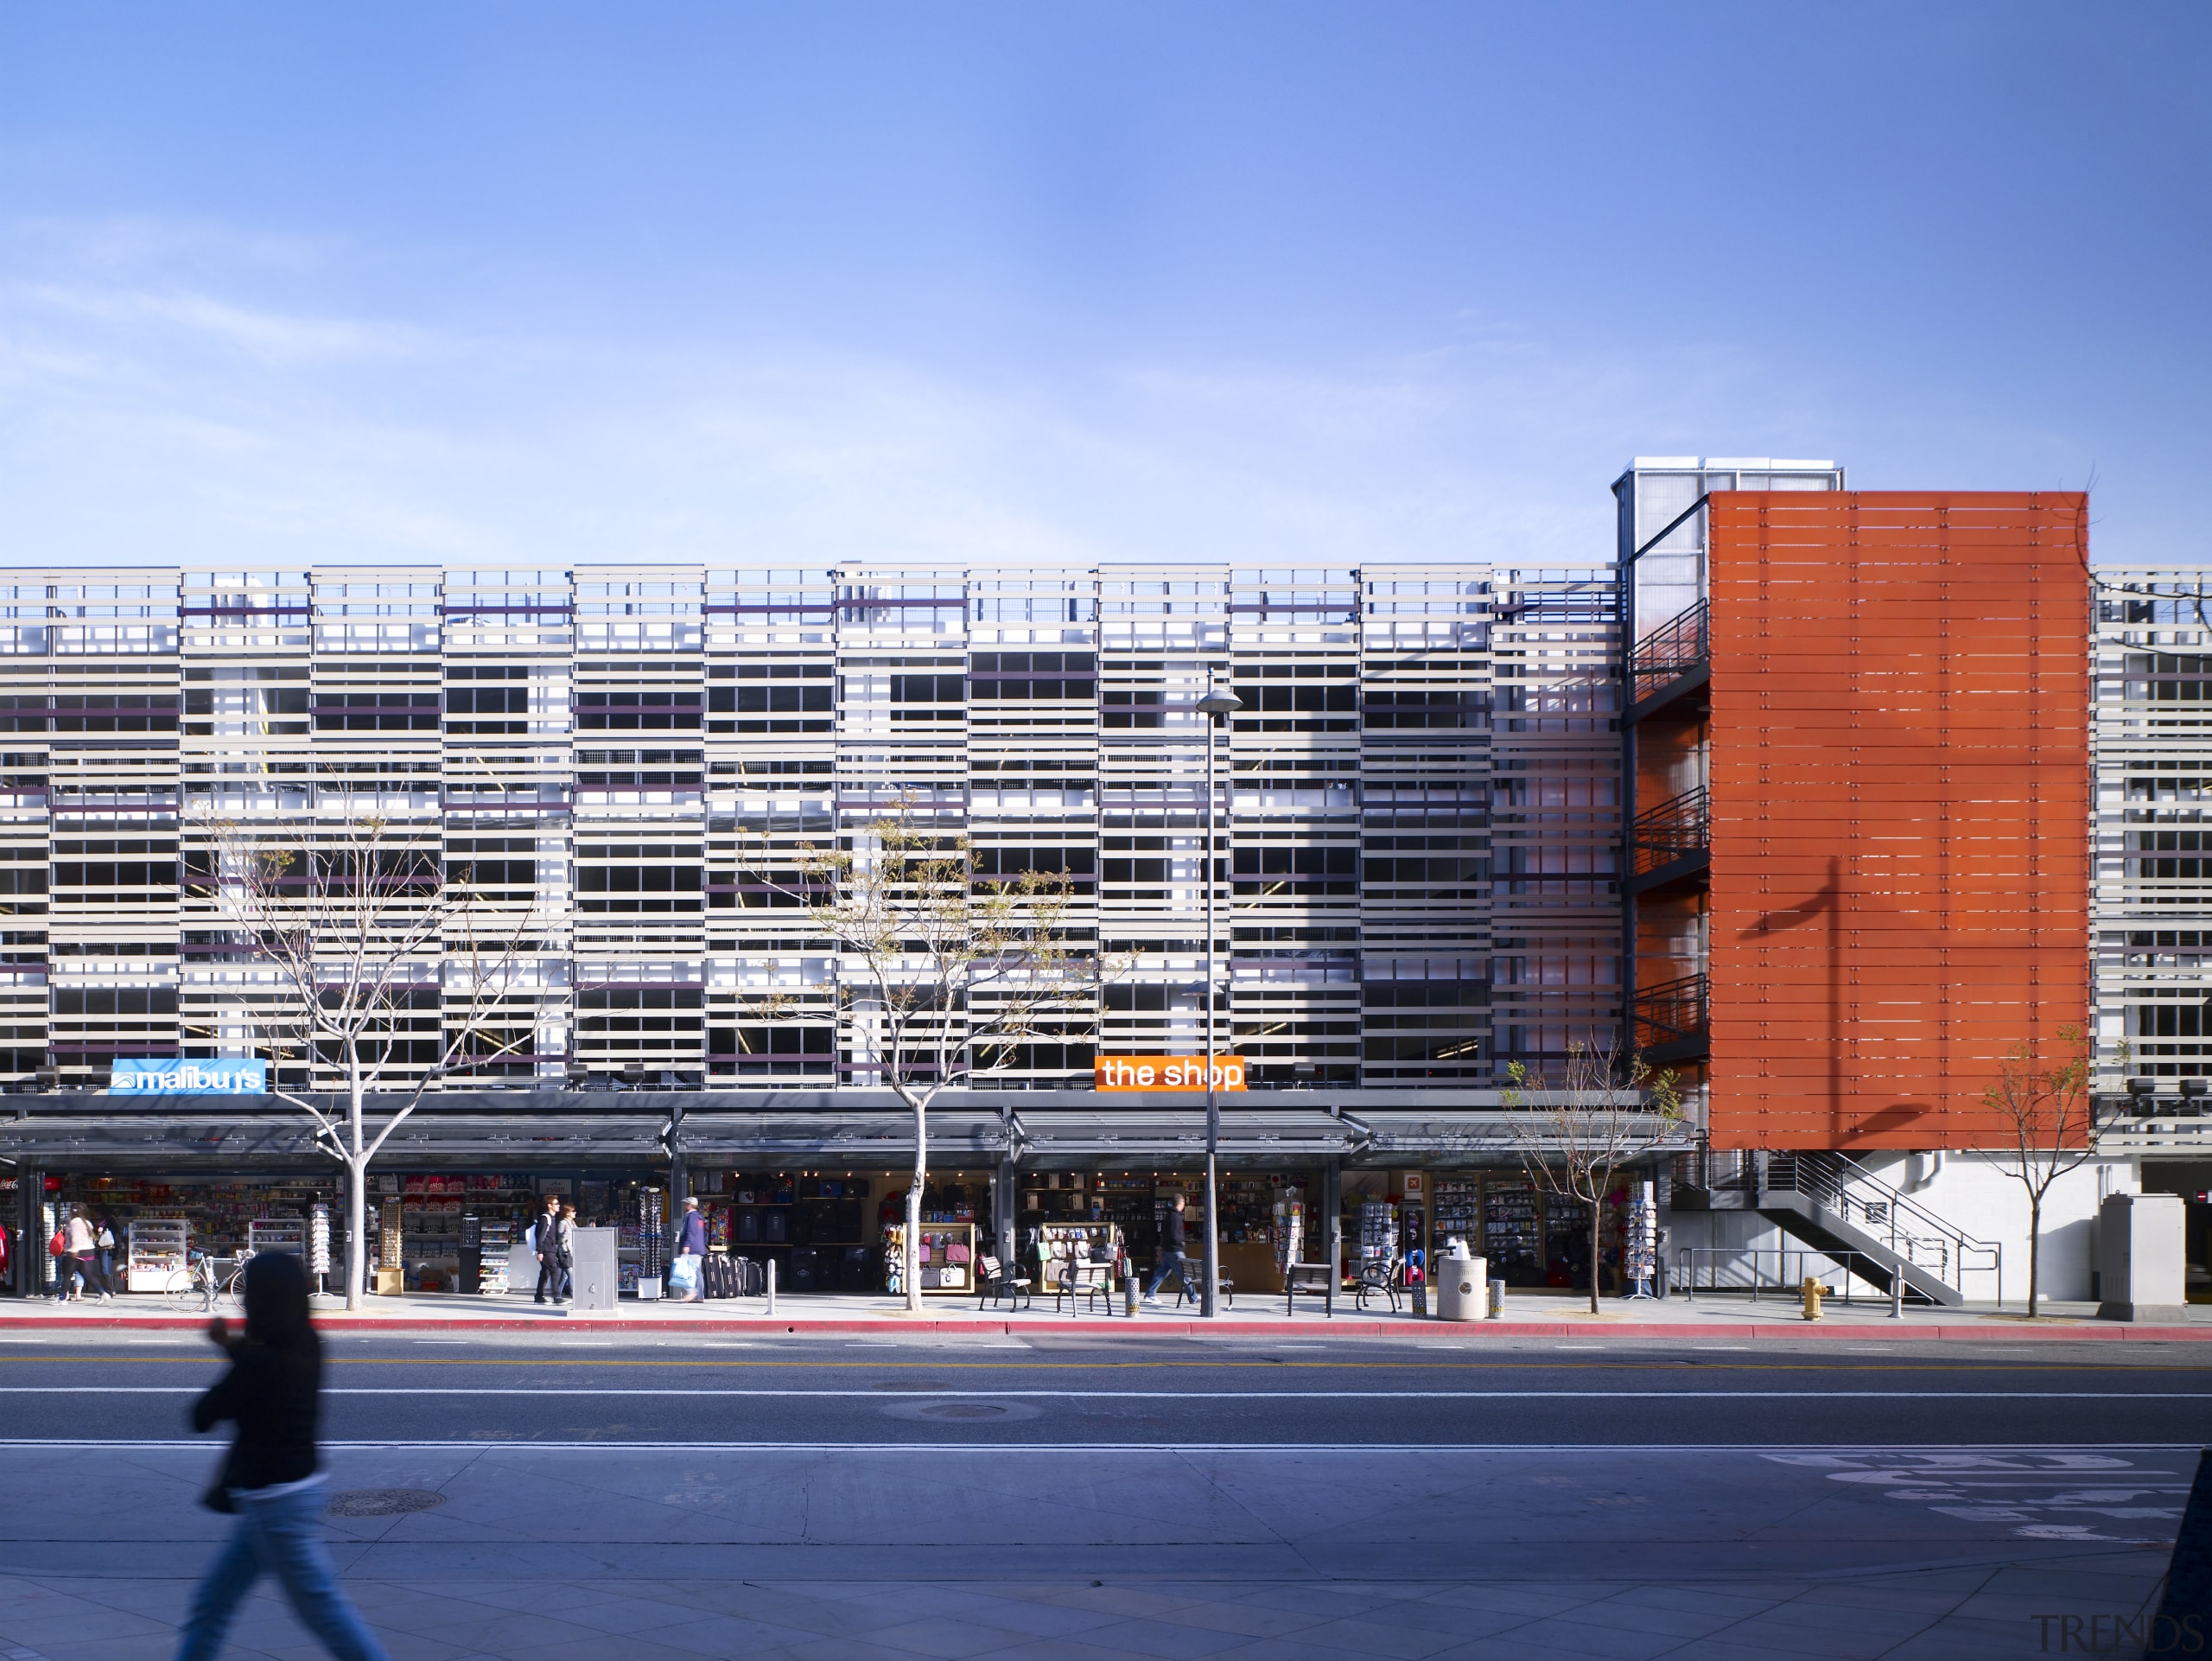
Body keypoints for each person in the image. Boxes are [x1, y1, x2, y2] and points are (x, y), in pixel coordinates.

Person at [174, 1251, 390, 1661]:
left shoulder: (257, 1364)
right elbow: (264, 1363)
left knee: (325, 1612)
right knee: (213, 1602)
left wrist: (226, 1348)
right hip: (291, 1492)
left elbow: (201, 1416)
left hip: (274, 1504)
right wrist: (229, 1345)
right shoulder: (308, 1343)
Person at [1141, 1193, 1198, 1305]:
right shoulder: (1176, 1217)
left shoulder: (1169, 1216)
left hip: (1167, 1250)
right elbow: (1175, 1235)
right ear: (1181, 1203)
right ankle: (1193, 1296)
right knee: (1185, 1274)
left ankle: (1150, 1294)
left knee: (1161, 1273)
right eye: (1184, 1202)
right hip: (1175, 1250)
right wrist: (1181, 1243)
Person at [672, 1195, 707, 1302]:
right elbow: (702, 1233)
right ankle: (699, 1296)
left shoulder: (691, 1217)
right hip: (697, 1248)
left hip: (692, 1249)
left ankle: (692, 1293)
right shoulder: (699, 1217)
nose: (684, 1205)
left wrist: (687, 1245)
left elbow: (691, 1232)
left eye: (685, 1204)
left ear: (690, 1205)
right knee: (697, 1272)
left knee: (685, 1271)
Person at [531, 1193, 562, 1305]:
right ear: (549, 1205)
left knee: (545, 1273)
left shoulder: (551, 1218)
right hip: (546, 1250)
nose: (558, 1205)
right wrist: (540, 1251)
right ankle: (557, 1297)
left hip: (550, 1249)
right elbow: (540, 1236)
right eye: (556, 1204)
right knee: (555, 1270)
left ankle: (539, 1297)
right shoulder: (545, 1218)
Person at [551, 1203, 576, 1303]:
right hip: (565, 1253)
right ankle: (574, 1296)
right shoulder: (563, 1223)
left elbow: (578, 1233)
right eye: (573, 1211)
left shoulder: (572, 1223)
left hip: (570, 1252)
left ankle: (557, 1295)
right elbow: (560, 1239)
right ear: (568, 1213)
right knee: (571, 1275)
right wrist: (565, 1233)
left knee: (565, 1276)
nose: (575, 1213)